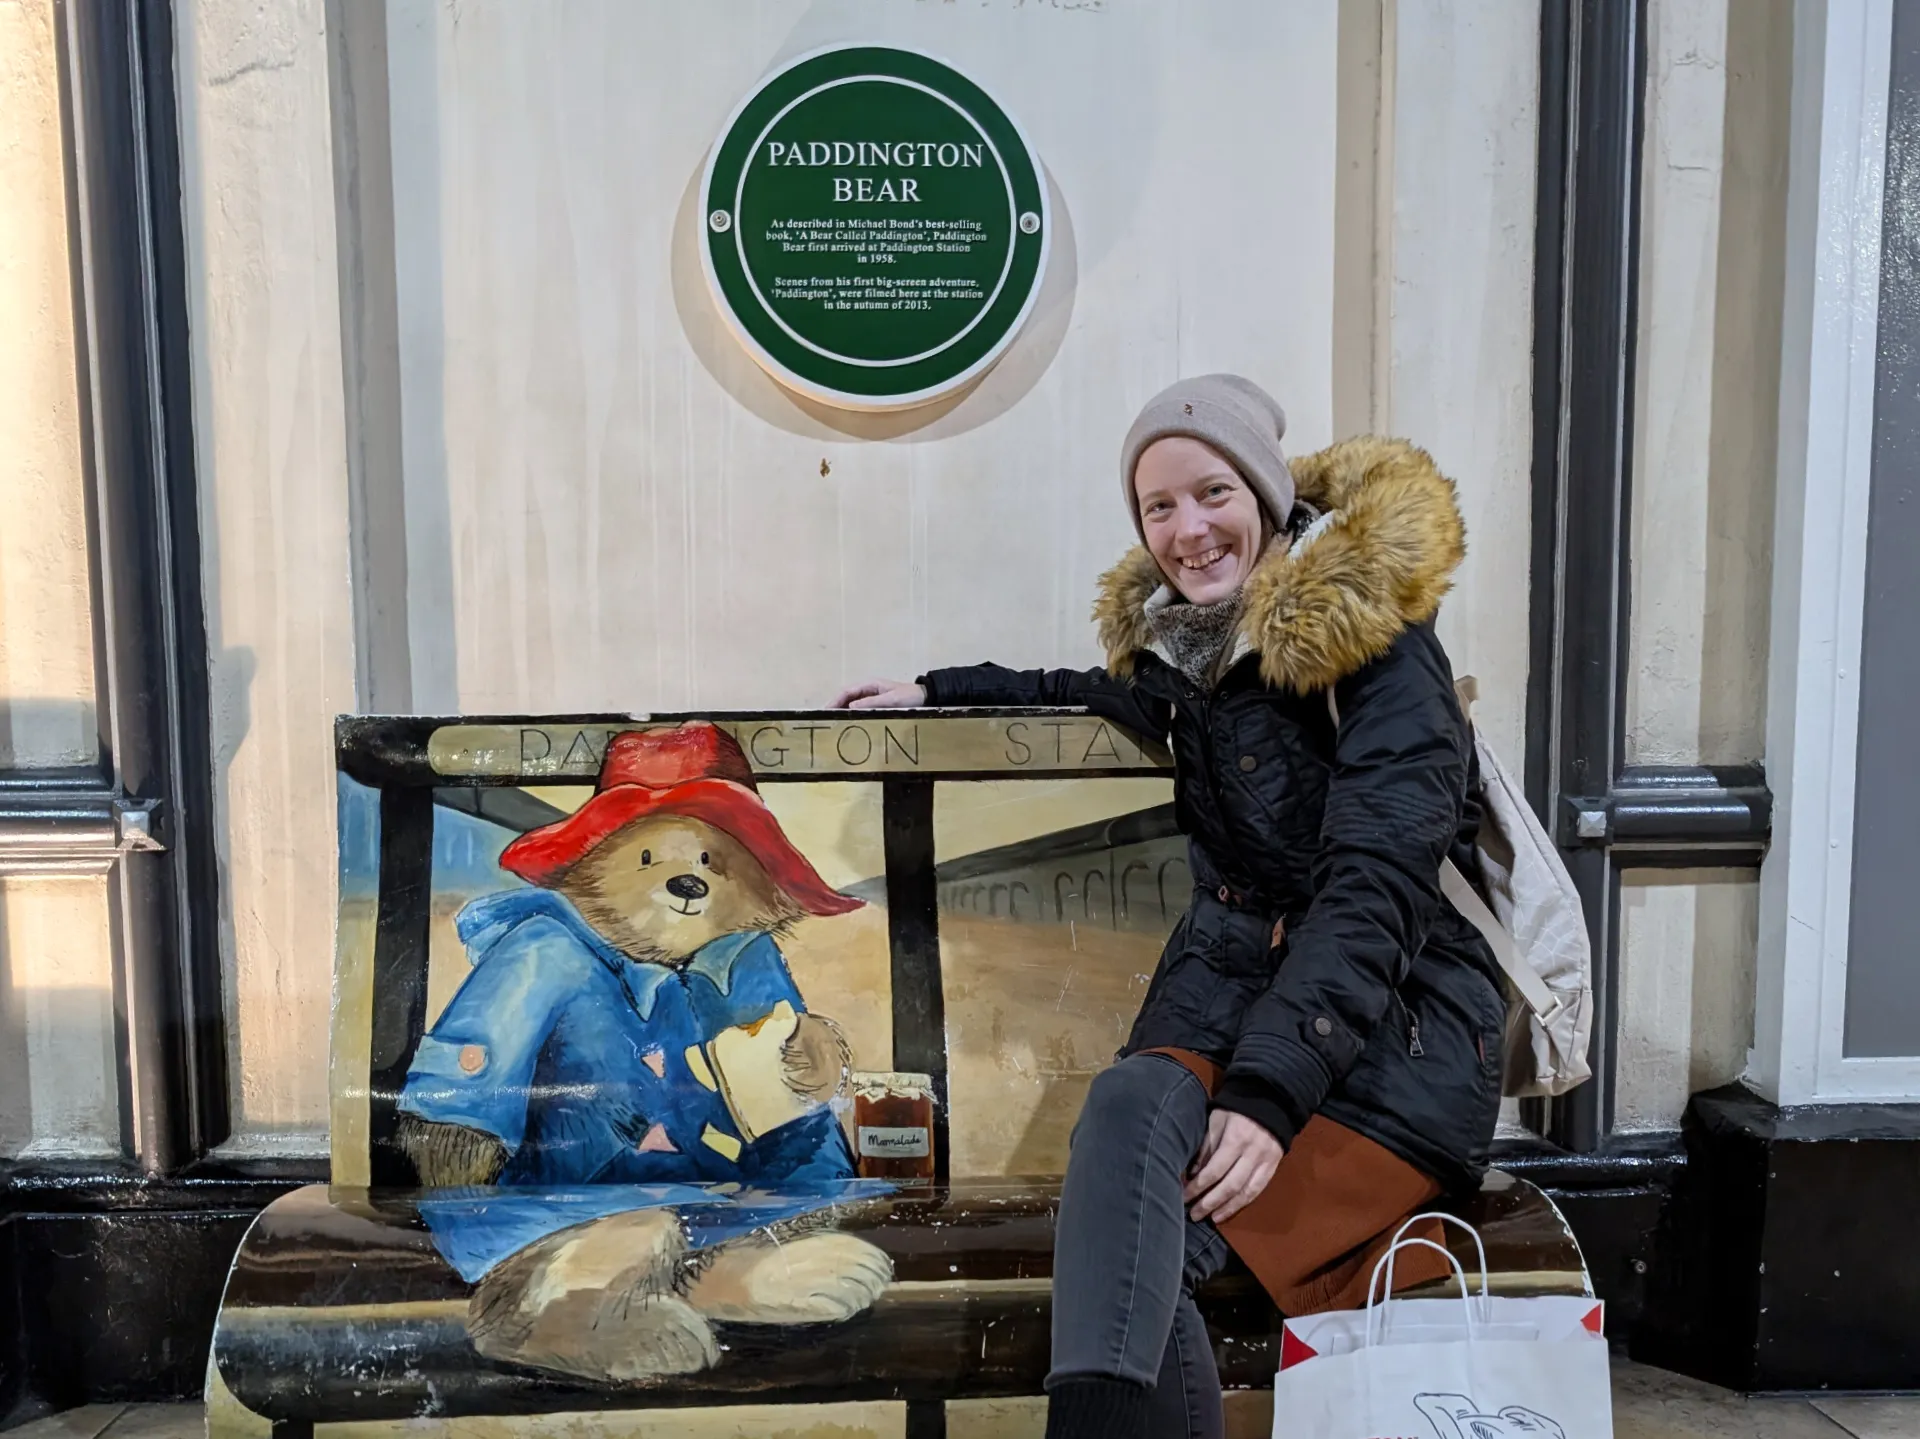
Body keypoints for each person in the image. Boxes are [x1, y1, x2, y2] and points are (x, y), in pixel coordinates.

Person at [831, 375, 1505, 1439]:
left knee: (1148, 1248)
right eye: (1159, 506)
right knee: (1126, 1105)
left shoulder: (1377, 646)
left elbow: (1375, 886)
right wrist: (939, 690)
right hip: (1235, 991)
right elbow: (1099, 693)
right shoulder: (1192, 647)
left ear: (1268, 495)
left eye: (1213, 493)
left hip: (1392, 1033)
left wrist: (1268, 1094)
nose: (1188, 530)